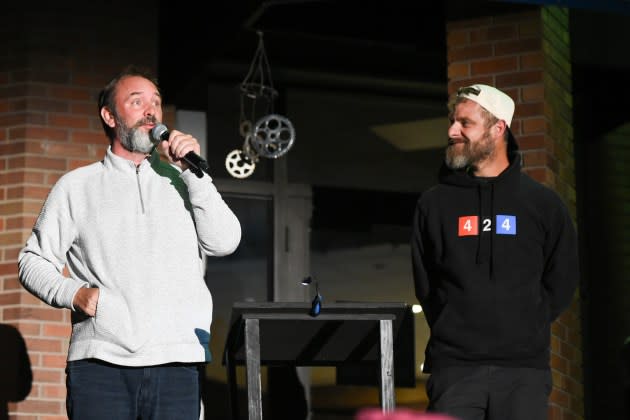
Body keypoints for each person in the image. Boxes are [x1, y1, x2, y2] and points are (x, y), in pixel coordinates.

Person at [17, 65, 242, 420]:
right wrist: (74, 294)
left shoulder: (184, 180)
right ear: (109, 115)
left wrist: (193, 173)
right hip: (101, 365)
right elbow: (32, 261)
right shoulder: (77, 186)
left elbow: (225, 241)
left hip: (179, 361)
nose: (150, 110)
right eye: (137, 102)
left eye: (156, 102)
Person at [410, 84, 579, 420]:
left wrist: (524, 323)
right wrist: (453, 323)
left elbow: (562, 280)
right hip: (453, 370)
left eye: (465, 123)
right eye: (453, 121)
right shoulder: (434, 203)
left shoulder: (543, 205)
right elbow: (425, 282)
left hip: (523, 372)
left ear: (498, 128)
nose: (451, 131)